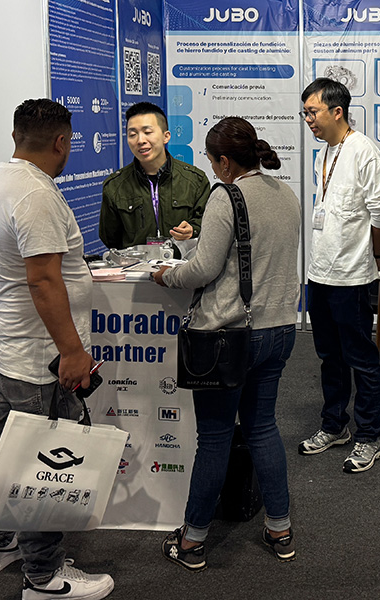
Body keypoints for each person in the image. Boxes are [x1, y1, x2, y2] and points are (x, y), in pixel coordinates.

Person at [0, 98, 114, 600]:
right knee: (44, 464)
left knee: (5, 448)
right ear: (62, 142)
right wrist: (72, 352)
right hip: (38, 358)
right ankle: (44, 577)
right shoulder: (35, 195)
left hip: (5, 348)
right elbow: (43, 280)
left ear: (16, 136)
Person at [152, 117, 301, 571]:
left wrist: (166, 275)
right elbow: (250, 253)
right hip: (279, 330)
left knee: (215, 439)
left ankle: (193, 540)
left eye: (211, 160)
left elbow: (202, 271)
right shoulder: (285, 193)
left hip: (230, 334)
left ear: (223, 161)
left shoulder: (227, 195)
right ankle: (280, 529)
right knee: (263, 429)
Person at [297, 78, 380, 474]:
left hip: (352, 276)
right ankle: (334, 425)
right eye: (304, 113)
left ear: (337, 111)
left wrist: (375, 255)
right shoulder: (325, 151)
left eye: (313, 112)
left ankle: (369, 436)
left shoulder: (363, 151)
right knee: (329, 357)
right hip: (319, 273)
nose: (308, 119)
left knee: (361, 359)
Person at [99, 102, 210, 251]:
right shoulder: (115, 186)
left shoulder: (195, 180)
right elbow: (110, 238)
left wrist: (193, 229)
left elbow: (209, 224)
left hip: (183, 264)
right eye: (132, 134)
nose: (140, 140)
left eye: (147, 132)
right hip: (135, 264)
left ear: (166, 136)